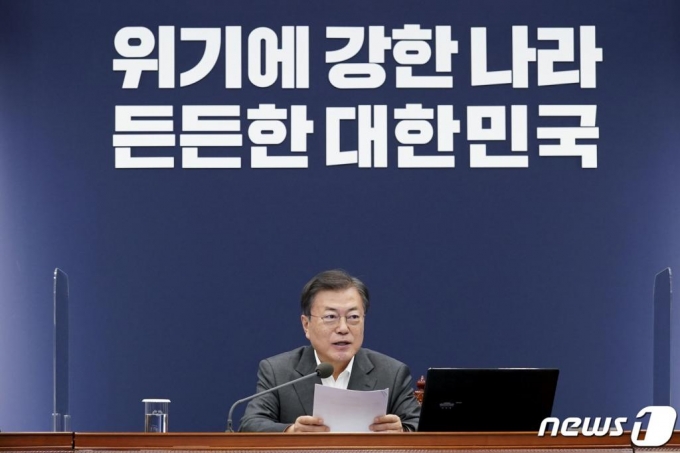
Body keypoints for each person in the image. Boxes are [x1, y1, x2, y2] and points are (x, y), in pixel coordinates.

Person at [239, 269, 420, 433]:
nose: (343, 328)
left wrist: (402, 432)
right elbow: (250, 425)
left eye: (353, 317)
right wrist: (291, 432)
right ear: (306, 325)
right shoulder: (278, 372)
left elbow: (421, 425)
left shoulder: (392, 373)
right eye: (330, 317)